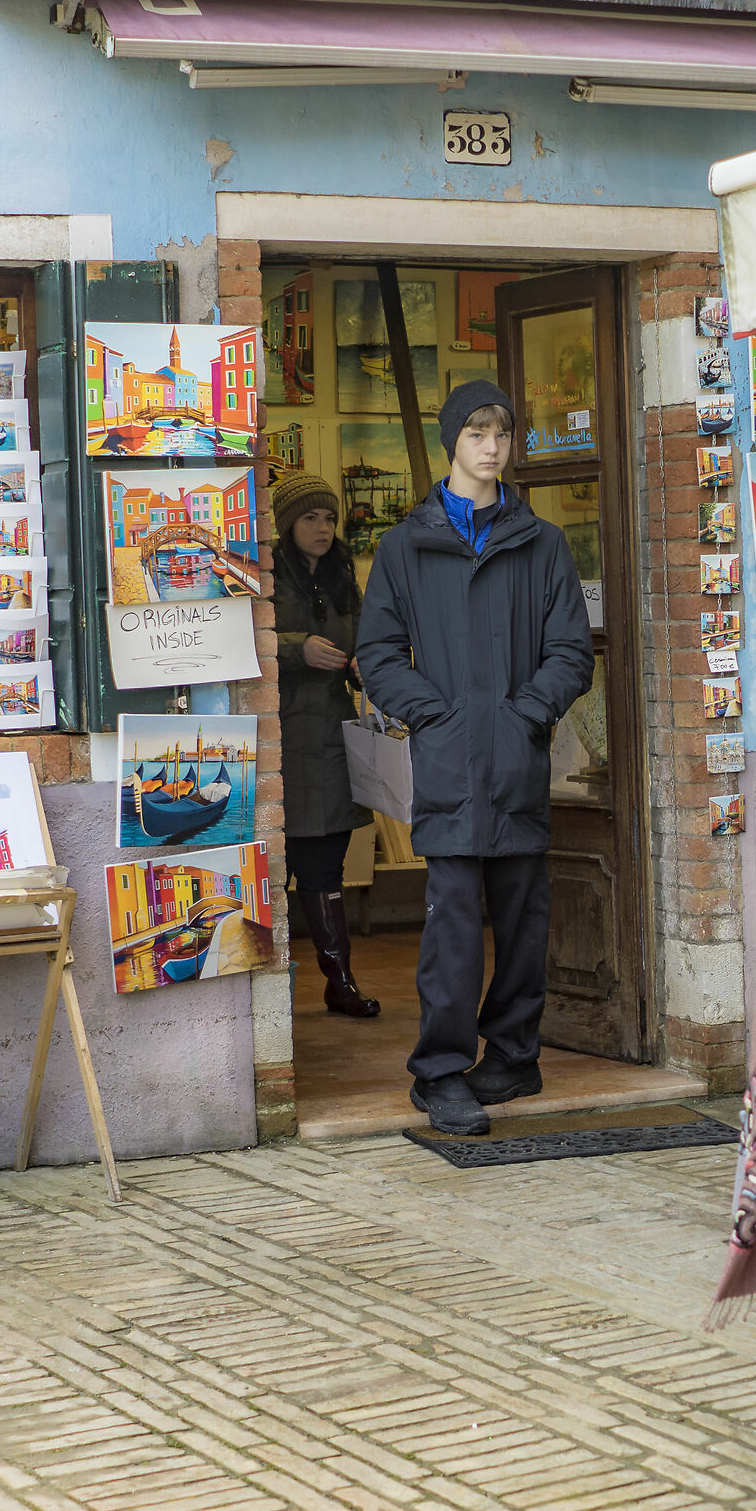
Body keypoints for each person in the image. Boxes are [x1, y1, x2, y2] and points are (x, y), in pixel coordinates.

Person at [356, 381, 596, 1135]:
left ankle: (515, 1056)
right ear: (451, 442)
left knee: (526, 917)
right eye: (476, 434)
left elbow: (570, 650)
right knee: (453, 922)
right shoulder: (405, 546)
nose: (492, 448)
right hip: (451, 761)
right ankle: (439, 1072)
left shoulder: (542, 542)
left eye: (501, 434)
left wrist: (524, 713)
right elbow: (379, 653)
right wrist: (441, 714)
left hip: (519, 759)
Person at [269, 470, 380, 1018]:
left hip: (333, 739)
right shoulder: (265, 572)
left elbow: (364, 641)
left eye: (330, 517)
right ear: (288, 524)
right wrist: (296, 650)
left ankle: (340, 982)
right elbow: (244, 638)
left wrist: (363, 667)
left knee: (325, 869)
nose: (323, 527)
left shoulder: (342, 574)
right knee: (271, 867)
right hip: (280, 741)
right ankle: (267, 991)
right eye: (310, 517)